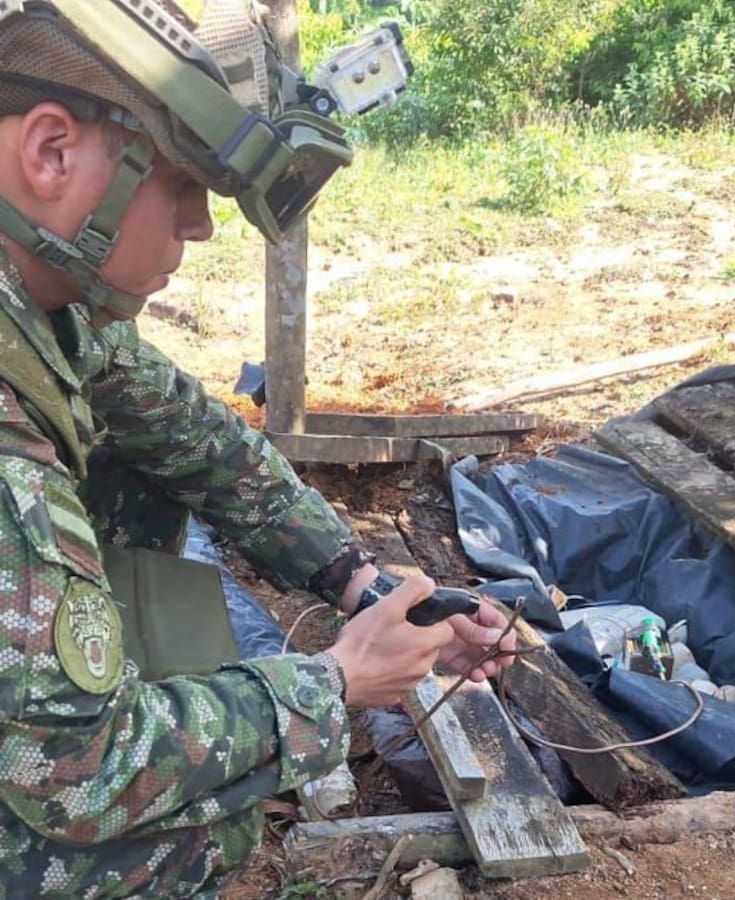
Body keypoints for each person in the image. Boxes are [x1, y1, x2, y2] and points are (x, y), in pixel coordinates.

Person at [0, 0, 514, 895]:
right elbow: (78, 774)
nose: (199, 227)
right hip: (64, 773)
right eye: (181, 184)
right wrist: (334, 683)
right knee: (175, 835)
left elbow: (205, 443)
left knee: (142, 460)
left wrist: (370, 588)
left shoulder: (46, 305)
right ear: (50, 153)